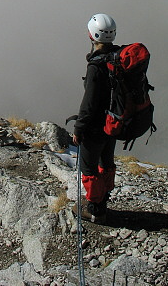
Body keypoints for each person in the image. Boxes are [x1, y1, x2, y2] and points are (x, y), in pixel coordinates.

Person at [72, 13, 119, 223]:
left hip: (95, 127)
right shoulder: (118, 58)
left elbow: (89, 104)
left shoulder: (96, 66)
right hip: (114, 122)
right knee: (106, 162)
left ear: (92, 35)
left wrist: (79, 128)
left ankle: (95, 210)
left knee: (89, 169)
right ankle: (103, 200)